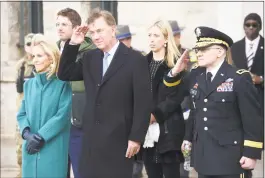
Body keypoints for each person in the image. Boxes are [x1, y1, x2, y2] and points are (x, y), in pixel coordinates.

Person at [57, 8, 152, 178]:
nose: (95, 36)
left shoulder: (135, 60)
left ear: (113, 29)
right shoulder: (90, 58)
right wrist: (74, 43)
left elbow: (143, 103)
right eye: (92, 32)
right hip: (91, 141)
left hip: (120, 141)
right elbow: (64, 74)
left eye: (100, 30)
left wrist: (136, 137)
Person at [163, 26, 263, 178]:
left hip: (231, 158)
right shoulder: (196, 75)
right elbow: (177, 99)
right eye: (197, 50)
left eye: (204, 49)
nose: (199, 53)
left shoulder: (238, 77)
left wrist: (251, 153)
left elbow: (252, 118)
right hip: (203, 157)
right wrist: (175, 72)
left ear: (220, 51)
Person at [17, 34, 72, 178]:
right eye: (34, 56)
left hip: (52, 149)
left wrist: (41, 136)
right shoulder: (28, 85)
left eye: (39, 56)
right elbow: (22, 114)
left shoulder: (63, 84)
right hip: (30, 149)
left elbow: (63, 116)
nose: (34, 60)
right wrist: (27, 134)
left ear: (51, 57)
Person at [142, 19, 185, 178]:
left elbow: (176, 97)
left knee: (171, 173)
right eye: (149, 35)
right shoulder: (142, 63)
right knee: (151, 172)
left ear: (166, 39)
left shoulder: (176, 63)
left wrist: (155, 115)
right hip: (146, 129)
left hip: (168, 127)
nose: (151, 39)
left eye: (156, 35)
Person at [56, 7, 95, 178]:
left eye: (64, 24)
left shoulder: (89, 50)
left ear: (76, 27)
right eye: (57, 24)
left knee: (81, 170)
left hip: (80, 119)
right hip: (59, 118)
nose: (59, 27)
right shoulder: (54, 49)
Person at [116, 24, 145, 178]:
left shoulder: (138, 58)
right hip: (117, 120)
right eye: (120, 40)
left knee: (135, 167)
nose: (124, 42)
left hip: (134, 117)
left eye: (126, 39)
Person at [15, 33, 35, 178]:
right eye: (28, 44)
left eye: (33, 44)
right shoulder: (21, 64)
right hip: (23, 106)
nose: (30, 48)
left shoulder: (42, 61)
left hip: (36, 108)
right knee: (20, 143)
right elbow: (19, 88)